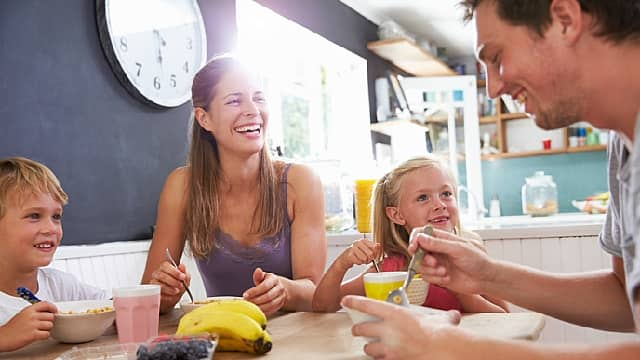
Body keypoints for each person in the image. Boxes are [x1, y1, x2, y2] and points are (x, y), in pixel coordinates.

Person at [344, 0, 640, 358]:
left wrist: (453, 348)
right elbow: (625, 296)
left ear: (565, 20)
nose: (494, 88)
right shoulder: (623, 147)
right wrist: (486, 276)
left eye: (496, 57)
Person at [141, 54, 327, 315]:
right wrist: (165, 291)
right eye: (234, 101)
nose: (253, 110)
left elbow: (316, 293)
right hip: (224, 340)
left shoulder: (301, 182)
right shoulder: (181, 186)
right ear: (204, 119)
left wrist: (285, 290)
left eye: (259, 98)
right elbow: (148, 296)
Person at [312, 155, 507, 313]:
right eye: (423, 198)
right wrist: (342, 264)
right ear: (396, 215)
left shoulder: (471, 256)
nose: (439, 205)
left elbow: (505, 318)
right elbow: (323, 306)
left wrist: (457, 289)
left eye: (446, 194)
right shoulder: (391, 269)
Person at [0, 157, 108, 352]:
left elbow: (110, 307)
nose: (51, 228)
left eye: (56, 217)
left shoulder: (61, 286)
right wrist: (4, 336)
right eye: (34, 216)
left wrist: (162, 296)